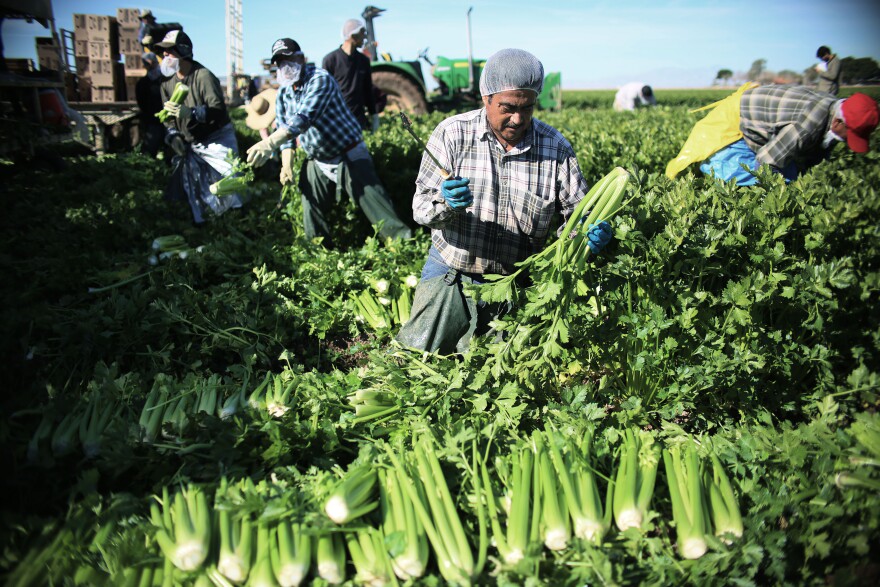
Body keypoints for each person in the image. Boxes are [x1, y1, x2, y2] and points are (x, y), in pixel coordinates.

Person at [395, 48, 613, 355]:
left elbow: (578, 216)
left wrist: (590, 234)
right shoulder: (452, 134)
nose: (518, 118)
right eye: (507, 107)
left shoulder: (556, 148)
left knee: (505, 375)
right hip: (452, 275)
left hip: (517, 284)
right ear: (485, 98)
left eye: (528, 108)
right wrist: (444, 203)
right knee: (416, 361)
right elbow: (420, 208)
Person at [246, 38, 411, 247]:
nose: (285, 66)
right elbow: (284, 130)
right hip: (317, 157)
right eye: (280, 62)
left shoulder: (319, 80)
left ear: (301, 58)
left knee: (377, 205)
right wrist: (286, 164)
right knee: (310, 206)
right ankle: (318, 251)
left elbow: (302, 119)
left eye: (289, 59)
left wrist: (268, 143)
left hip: (348, 151)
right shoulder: (283, 95)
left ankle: (403, 245)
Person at [666, 84, 879, 186]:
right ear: (838, 121)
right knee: (735, 175)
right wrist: (770, 200)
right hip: (739, 119)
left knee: (790, 173)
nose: (844, 142)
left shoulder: (833, 109)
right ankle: (714, 175)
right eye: (847, 135)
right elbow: (768, 162)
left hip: (764, 122)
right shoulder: (809, 124)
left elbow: (813, 153)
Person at [154, 30, 245, 223]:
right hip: (191, 142)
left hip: (216, 138)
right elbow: (167, 117)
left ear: (183, 52)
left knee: (227, 182)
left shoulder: (203, 76)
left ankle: (238, 221)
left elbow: (218, 110)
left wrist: (192, 113)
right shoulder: (166, 84)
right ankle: (206, 226)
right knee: (197, 187)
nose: (165, 57)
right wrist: (173, 135)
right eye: (164, 53)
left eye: (170, 52)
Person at [322, 18, 379, 132]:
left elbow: (368, 90)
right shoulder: (330, 60)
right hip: (337, 121)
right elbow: (324, 93)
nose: (365, 38)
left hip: (359, 121)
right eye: (363, 33)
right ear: (353, 35)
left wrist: (374, 115)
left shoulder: (363, 60)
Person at [134, 52, 166, 156]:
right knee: (150, 150)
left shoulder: (166, 81)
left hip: (166, 121)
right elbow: (141, 103)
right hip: (153, 122)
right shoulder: (143, 83)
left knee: (169, 152)